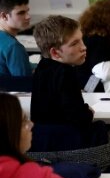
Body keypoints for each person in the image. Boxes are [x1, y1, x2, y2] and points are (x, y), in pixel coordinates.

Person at [31, 15, 100, 149]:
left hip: (44, 145)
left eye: (82, 40)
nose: (84, 47)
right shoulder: (65, 73)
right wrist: (88, 112)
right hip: (68, 147)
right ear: (55, 53)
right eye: (75, 43)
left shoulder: (42, 67)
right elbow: (79, 117)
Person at [0, 0, 32, 78]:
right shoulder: (13, 46)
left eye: (27, 11)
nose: (28, 16)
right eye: (21, 13)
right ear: (4, 16)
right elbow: (25, 85)